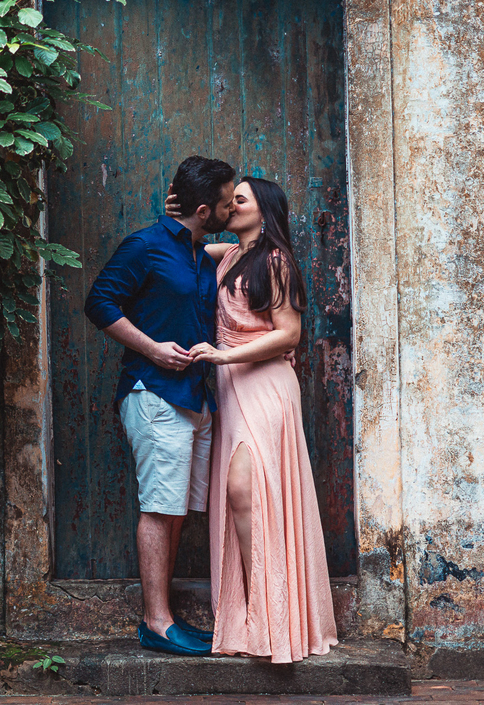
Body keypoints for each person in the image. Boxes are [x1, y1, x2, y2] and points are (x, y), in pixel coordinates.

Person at [84, 155, 236, 656]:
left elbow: (240, 244)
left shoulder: (197, 250)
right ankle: (156, 621)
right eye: (224, 202)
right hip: (154, 393)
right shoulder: (144, 246)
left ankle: (163, 618)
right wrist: (151, 347)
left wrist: (191, 218)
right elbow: (99, 304)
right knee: (159, 508)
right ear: (202, 208)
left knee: (176, 511)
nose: (231, 207)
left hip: (195, 397)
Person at [182, 176, 339, 662]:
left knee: (245, 489)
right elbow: (184, 241)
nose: (231, 204)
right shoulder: (227, 255)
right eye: (229, 200)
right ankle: (258, 614)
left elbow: (289, 335)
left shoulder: (276, 261)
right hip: (233, 389)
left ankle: (268, 617)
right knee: (241, 497)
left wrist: (225, 357)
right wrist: (182, 209)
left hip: (265, 384)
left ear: (263, 210)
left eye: (241, 199)